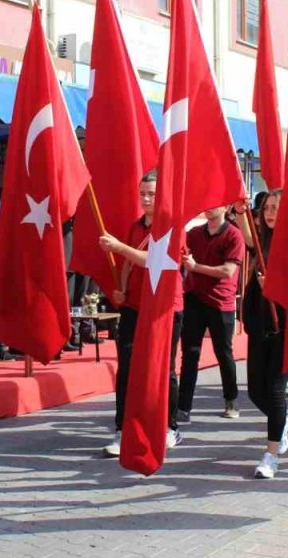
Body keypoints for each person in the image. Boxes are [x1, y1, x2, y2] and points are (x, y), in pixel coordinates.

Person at [97, 173, 184, 456]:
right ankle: (122, 429)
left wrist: (120, 247)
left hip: (165, 307)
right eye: (143, 193)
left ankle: (169, 427)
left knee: (165, 369)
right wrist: (120, 289)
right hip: (135, 306)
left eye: (152, 194)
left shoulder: (171, 226)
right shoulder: (136, 227)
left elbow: (155, 260)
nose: (146, 199)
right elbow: (127, 264)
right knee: (127, 369)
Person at [236, 192, 288, 478]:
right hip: (259, 322)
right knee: (256, 391)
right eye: (267, 207)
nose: (270, 213)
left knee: (275, 389)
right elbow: (248, 237)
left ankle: (270, 455)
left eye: (276, 208)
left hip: (283, 325)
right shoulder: (262, 241)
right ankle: (282, 420)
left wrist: (277, 284)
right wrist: (239, 209)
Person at [177, 203, 244, 422]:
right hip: (194, 298)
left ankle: (231, 400)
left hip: (221, 302)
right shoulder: (194, 233)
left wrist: (196, 267)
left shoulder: (234, 235)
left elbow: (228, 271)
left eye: (215, 203)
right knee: (190, 353)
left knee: (224, 353)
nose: (208, 207)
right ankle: (183, 405)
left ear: (226, 207)